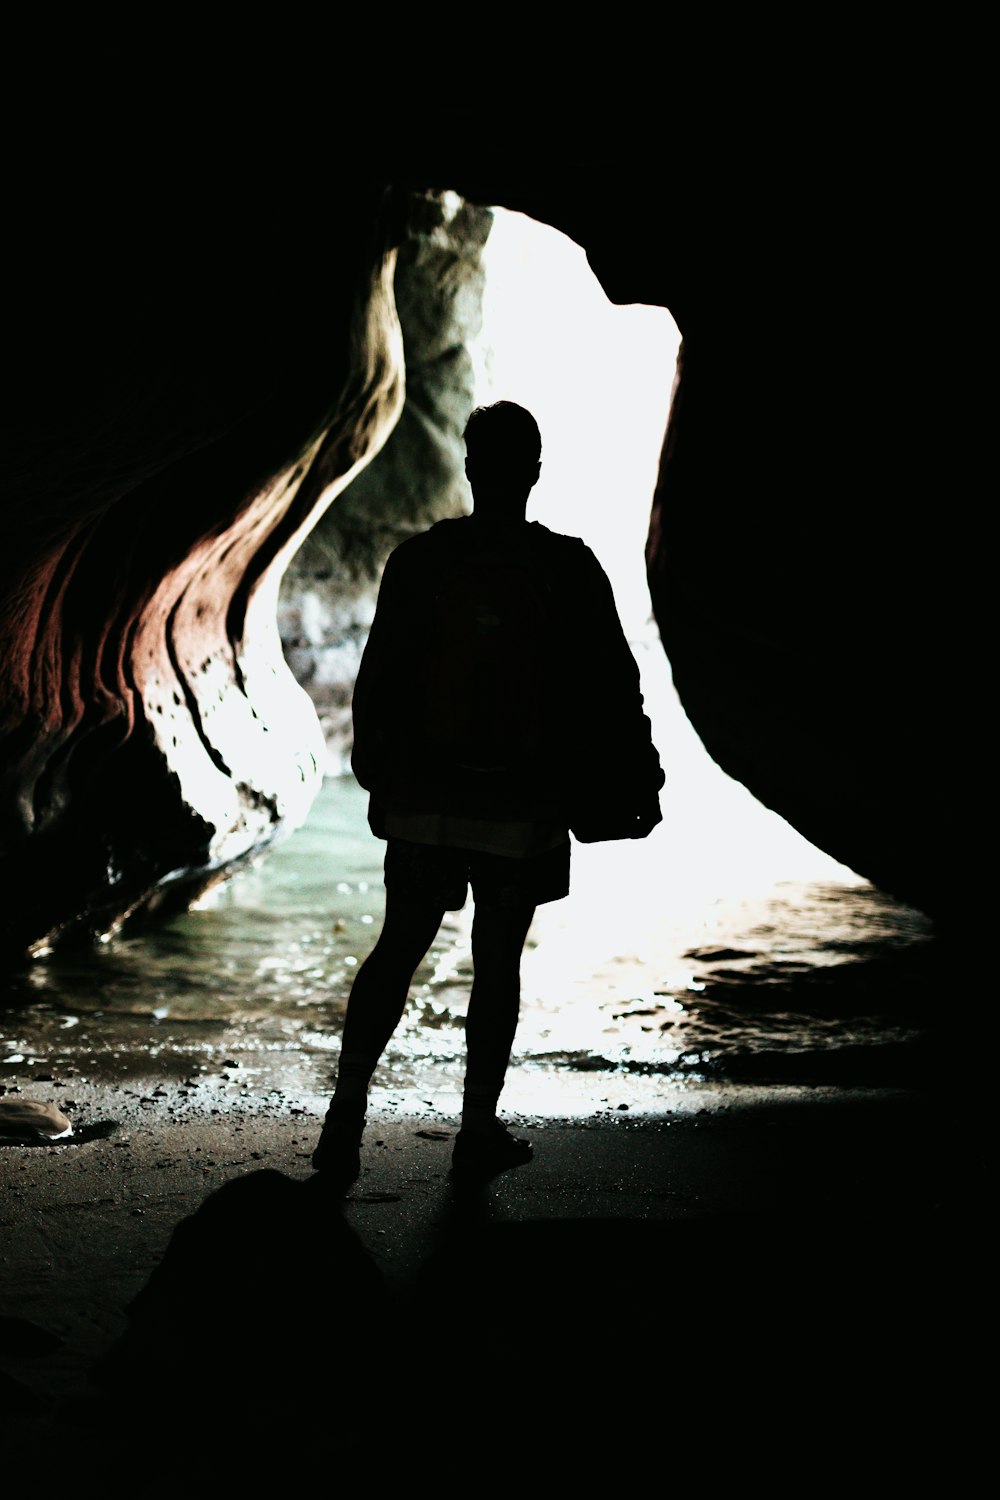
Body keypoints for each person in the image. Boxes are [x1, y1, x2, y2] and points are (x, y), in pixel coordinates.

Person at [312, 401, 663, 1188]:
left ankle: (343, 1123)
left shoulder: (418, 562)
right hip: (522, 807)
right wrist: (637, 776)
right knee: (496, 964)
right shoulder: (567, 567)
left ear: (469, 466)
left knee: (397, 948)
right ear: (534, 470)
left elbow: (380, 684)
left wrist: (382, 782)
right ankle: (475, 1131)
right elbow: (614, 686)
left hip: (425, 802)